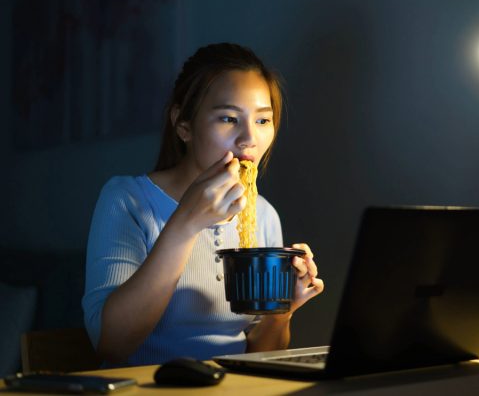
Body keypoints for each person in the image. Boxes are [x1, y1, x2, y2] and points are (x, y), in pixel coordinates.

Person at [82, 43, 324, 366]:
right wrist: (186, 222)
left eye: (263, 121)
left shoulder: (263, 214)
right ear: (183, 126)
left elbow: (262, 356)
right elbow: (110, 344)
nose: (249, 139)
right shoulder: (127, 200)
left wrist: (283, 310)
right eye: (228, 118)